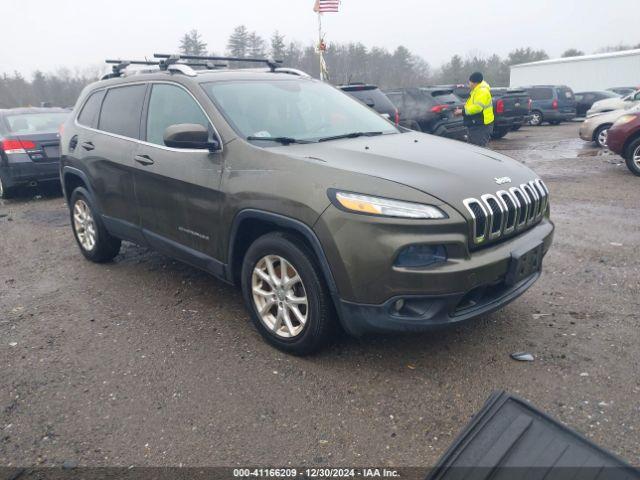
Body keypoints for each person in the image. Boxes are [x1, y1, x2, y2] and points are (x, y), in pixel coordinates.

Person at [454, 72, 494, 147]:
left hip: (481, 125)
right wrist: (464, 107)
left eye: (469, 81)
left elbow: (477, 108)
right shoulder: (477, 91)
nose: (468, 84)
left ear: (474, 82)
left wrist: (462, 111)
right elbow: (474, 104)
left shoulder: (482, 91)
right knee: (474, 148)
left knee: (478, 149)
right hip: (477, 124)